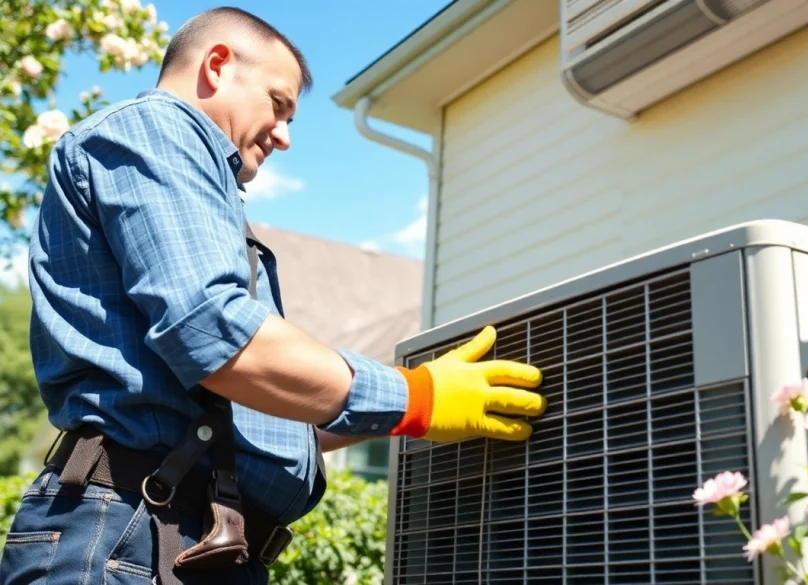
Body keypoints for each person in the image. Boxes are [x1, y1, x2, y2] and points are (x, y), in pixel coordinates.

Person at [0, 6, 546, 585]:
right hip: (133, 532)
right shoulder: (156, 128)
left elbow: (263, 415)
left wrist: (401, 410)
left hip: (178, 540)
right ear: (216, 66)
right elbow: (217, 335)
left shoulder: (201, 194)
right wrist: (415, 397)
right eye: (279, 104)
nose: (284, 136)